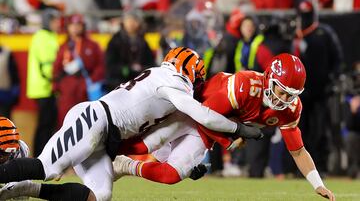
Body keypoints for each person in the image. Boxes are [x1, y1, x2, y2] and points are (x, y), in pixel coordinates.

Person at [0, 47, 262, 201]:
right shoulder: (173, 82)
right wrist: (238, 128)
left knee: (99, 196)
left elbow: (162, 140)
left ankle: (23, 189)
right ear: (191, 71)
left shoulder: (165, 82)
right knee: (47, 167)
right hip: (95, 120)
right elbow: (204, 115)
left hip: (103, 135)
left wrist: (186, 165)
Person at [111, 53, 335, 200]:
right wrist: (229, 139)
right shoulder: (245, 85)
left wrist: (318, 185)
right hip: (191, 111)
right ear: (269, 78)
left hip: (210, 132)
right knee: (142, 146)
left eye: (291, 94)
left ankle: (123, 167)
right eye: (282, 90)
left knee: (170, 174)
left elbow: (297, 150)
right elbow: (205, 115)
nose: (285, 99)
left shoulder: (290, 108)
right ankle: (98, 151)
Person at [293, 0, 344, 175]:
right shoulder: (295, 35)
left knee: (320, 129)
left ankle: (320, 166)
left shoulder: (324, 33)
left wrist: (332, 80)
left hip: (321, 91)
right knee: (300, 130)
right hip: (298, 93)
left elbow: (337, 59)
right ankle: (301, 169)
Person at [53, 14, 105, 124]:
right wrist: (58, 86)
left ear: (83, 26)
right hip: (67, 92)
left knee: (87, 123)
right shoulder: (63, 47)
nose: (75, 27)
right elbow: (56, 68)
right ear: (68, 27)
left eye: (78, 24)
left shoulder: (93, 45)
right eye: (72, 25)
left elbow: (101, 66)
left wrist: (90, 82)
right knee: (66, 122)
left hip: (85, 90)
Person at [26, 8, 61, 157]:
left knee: (46, 125)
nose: (58, 23)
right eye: (55, 20)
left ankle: (41, 157)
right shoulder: (44, 37)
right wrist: (56, 80)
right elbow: (47, 65)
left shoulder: (45, 36)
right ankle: (41, 158)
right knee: (45, 125)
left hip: (43, 87)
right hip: (44, 88)